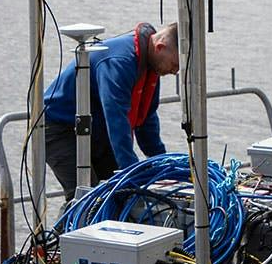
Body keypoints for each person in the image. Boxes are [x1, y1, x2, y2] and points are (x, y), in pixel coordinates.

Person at [42, 22, 180, 201]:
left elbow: (146, 119)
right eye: (174, 64)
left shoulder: (151, 64)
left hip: (95, 130)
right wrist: (131, 172)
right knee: (86, 197)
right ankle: (67, 220)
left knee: (118, 196)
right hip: (59, 128)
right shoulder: (120, 61)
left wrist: (162, 165)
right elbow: (116, 119)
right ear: (160, 47)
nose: (174, 71)